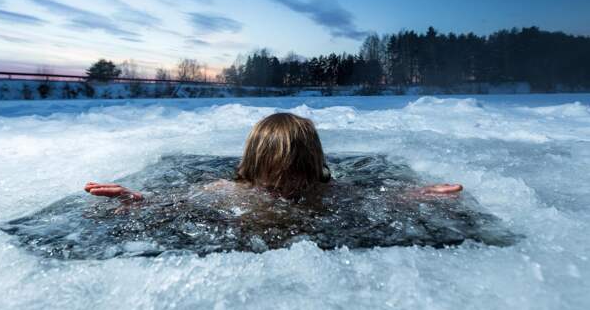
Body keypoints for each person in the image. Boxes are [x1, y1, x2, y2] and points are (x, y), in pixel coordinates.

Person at [84, 113, 462, 201]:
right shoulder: (233, 190)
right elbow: (181, 201)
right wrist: (139, 199)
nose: (288, 183)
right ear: (253, 167)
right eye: (277, 172)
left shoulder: (330, 190)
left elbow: (374, 198)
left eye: (298, 170)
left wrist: (417, 196)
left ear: (314, 166)